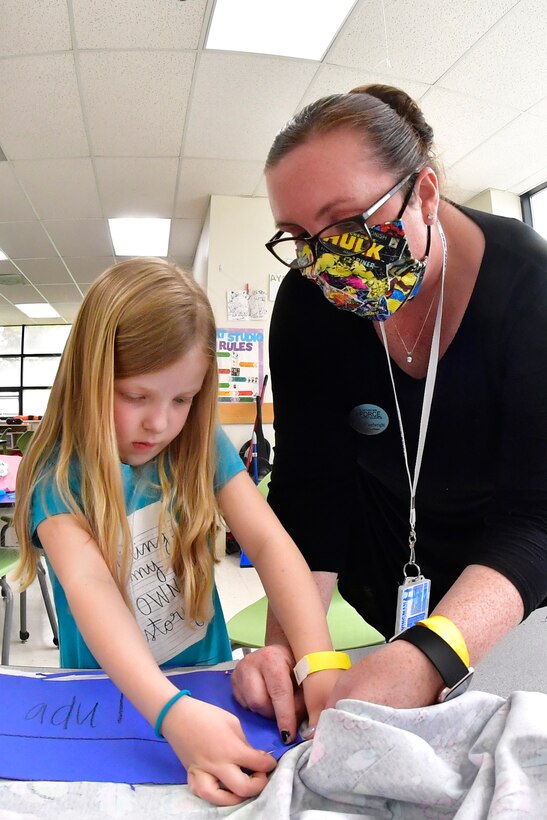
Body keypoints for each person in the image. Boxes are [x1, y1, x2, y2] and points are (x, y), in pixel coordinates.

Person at [231, 83, 547, 733]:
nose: (324, 263)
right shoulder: (307, 303)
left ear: (424, 194)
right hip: (389, 581)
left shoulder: (529, 286)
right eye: (297, 237)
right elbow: (308, 496)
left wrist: (431, 654)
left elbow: (536, 518)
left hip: (521, 594)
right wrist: (287, 649)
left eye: (346, 222)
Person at [14, 258, 342, 807]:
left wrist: (319, 664)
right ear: (88, 377)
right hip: (113, 694)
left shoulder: (198, 442)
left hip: (208, 673)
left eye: (183, 399)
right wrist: (168, 713)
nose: (160, 424)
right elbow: (90, 585)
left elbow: (268, 543)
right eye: (135, 396)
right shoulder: (54, 468)